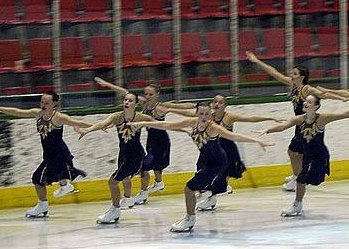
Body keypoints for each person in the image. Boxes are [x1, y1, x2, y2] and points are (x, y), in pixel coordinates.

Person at [129, 101, 273, 232]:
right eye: (201, 113)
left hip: (217, 163)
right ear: (196, 113)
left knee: (189, 188)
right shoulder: (192, 122)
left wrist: (257, 141)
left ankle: (190, 219)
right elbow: (167, 125)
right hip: (205, 160)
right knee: (194, 188)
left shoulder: (213, 128)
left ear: (210, 114)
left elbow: (234, 136)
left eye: (206, 114)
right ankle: (205, 198)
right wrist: (142, 123)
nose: (203, 117)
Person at [259, 94, 349, 216]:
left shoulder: (322, 118)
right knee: (301, 179)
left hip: (319, 156)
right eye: (305, 101)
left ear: (316, 106)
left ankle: (297, 204)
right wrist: (268, 130)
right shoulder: (299, 119)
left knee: (304, 179)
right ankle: (297, 205)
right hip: (307, 155)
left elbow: (344, 114)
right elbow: (282, 127)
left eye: (309, 102)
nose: (305, 103)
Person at [245, 51, 348, 191]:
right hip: (298, 123)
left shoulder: (306, 89)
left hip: (306, 123)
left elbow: (323, 94)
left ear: (302, 77)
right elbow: (274, 73)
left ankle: (297, 177)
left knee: (293, 151)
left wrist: (341, 98)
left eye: (294, 74)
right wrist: (256, 61)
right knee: (296, 152)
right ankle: (297, 175)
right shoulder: (293, 86)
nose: (291, 76)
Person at [0, 92, 89, 218]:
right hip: (49, 154)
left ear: (54, 104)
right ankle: (64, 186)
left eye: (47, 103)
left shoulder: (58, 117)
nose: (43, 105)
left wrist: (98, 126)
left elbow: (77, 122)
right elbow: (17, 111)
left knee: (37, 178)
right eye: (42, 102)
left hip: (59, 153)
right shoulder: (37, 114)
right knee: (52, 175)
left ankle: (44, 205)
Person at [95, 77, 195, 205]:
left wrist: (197, 109)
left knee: (144, 165)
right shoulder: (142, 103)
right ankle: (157, 183)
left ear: (157, 95)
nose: (147, 96)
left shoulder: (160, 108)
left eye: (151, 94)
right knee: (148, 166)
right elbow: (125, 92)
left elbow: (178, 110)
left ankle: (145, 191)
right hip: (150, 140)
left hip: (161, 141)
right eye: (146, 94)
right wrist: (106, 84)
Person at [75, 93, 154, 224]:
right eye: (125, 100)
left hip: (135, 155)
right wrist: (87, 130)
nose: (127, 102)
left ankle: (115, 210)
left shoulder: (141, 117)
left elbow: (159, 124)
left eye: (130, 100)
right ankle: (125, 200)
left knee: (112, 182)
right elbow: (102, 123)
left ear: (136, 104)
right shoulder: (117, 117)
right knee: (123, 177)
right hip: (123, 154)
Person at [195, 94, 282, 210]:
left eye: (220, 102)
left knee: (221, 174)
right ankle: (208, 191)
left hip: (227, 149)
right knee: (200, 166)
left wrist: (270, 118)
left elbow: (250, 119)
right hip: (211, 147)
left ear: (225, 106)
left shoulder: (229, 117)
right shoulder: (207, 116)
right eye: (215, 102)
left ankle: (213, 196)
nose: (217, 104)